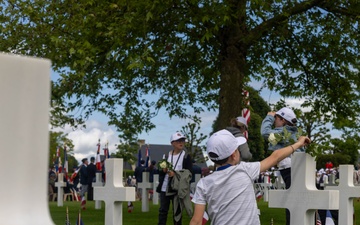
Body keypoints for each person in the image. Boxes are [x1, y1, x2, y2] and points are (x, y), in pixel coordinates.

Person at [190, 129, 310, 225]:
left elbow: (196, 221)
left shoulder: (204, 183)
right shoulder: (245, 170)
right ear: (234, 155)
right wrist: (298, 144)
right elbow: (275, 157)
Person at [260, 107, 303, 225]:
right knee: (295, 201)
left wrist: (268, 116)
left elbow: (265, 133)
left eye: (276, 118)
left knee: (291, 202)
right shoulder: (294, 133)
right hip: (296, 169)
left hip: (290, 169)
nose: (274, 121)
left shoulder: (283, 133)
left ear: (283, 120)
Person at [156, 132, 193, 225]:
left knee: (177, 212)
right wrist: (163, 170)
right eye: (178, 141)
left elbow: (188, 173)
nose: (181, 143)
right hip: (165, 187)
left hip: (178, 188)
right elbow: (159, 171)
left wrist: (175, 174)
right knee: (163, 211)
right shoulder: (166, 156)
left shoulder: (186, 156)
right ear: (172, 143)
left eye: (183, 140)